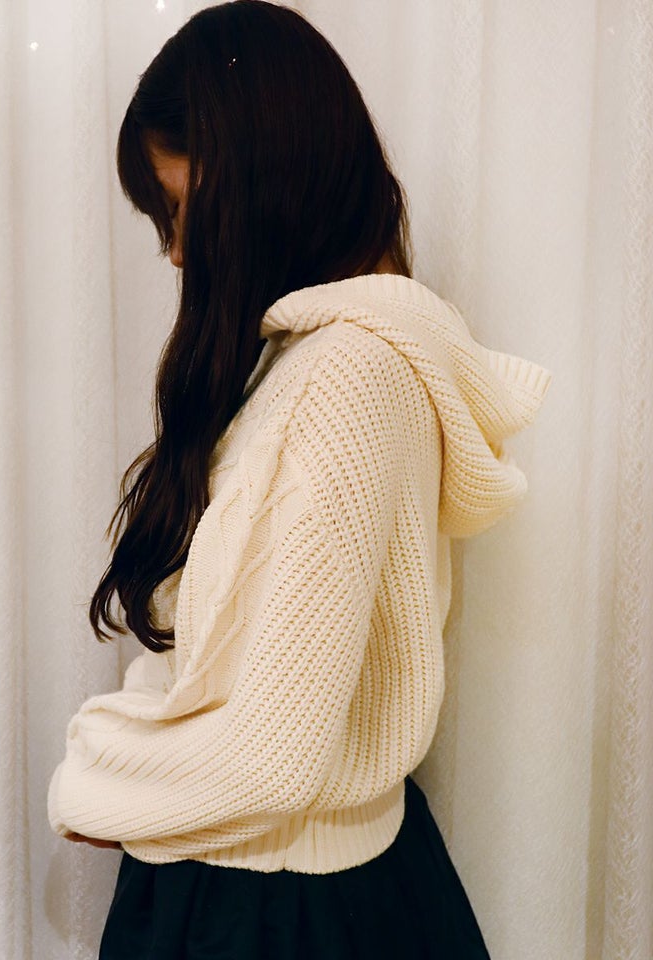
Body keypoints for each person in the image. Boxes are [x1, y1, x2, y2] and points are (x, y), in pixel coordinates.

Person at [47, 2, 552, 957]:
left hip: (276, 906)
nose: (177, 251)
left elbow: (276, 755)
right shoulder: (305, 363)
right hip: (276, 885)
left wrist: (89, 780)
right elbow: (225, 660)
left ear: (262, 180)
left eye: (181, 210)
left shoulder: (347, 377)